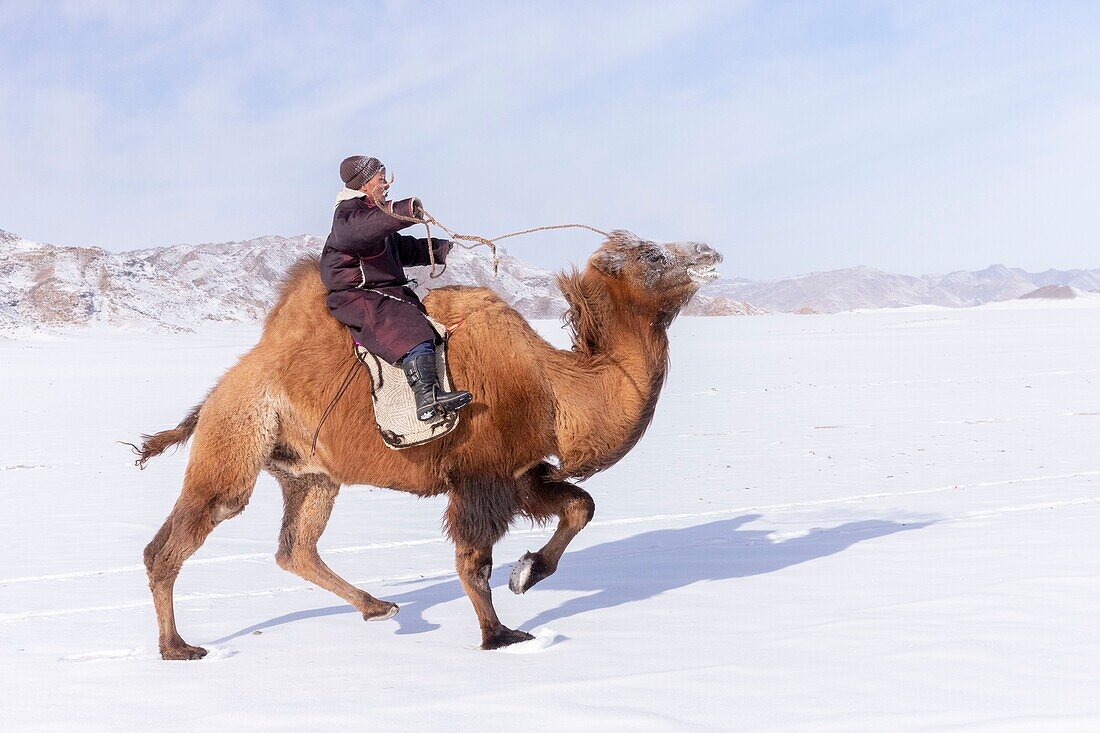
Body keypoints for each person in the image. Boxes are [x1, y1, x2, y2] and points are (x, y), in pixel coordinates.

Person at [320, 155, 472, 422]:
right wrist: (404, 210)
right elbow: (361, 231)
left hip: (383, 291)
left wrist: (441, 250)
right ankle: (427, 399)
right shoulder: (348, 216)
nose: (386, 185)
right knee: (408, 328)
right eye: (381, 179)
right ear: (365, 184)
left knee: (425, 320)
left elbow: (399, 249)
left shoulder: (369, 214)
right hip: (358, 295)